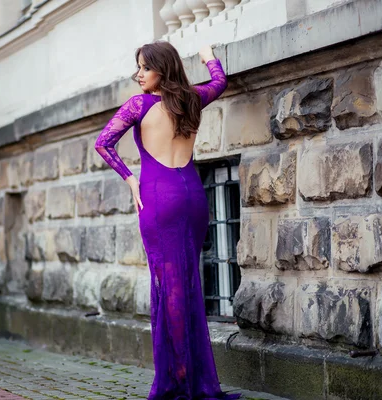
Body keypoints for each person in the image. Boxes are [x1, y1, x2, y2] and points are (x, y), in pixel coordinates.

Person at [94, 41, 239, 400]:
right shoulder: (191, 98)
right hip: (191, 195)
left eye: (145, 67)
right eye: (137, 68)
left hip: (158, 198)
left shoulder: (139, 104)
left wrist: (130, 179)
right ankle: (195, 380)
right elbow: (219, 82)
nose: (139, 75)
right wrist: (208, 56)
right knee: (189, 285)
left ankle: (176, 382)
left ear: (162, 68)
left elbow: (103, 143)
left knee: (167, 289)